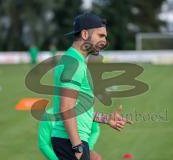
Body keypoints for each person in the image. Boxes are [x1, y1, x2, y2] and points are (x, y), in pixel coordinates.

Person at [51, 13, 132, 160]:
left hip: (71, 140)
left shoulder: (74, 61)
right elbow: (66, 107)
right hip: (71, 141)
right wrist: (77, 146)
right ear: (84, 34)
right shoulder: (73, 63)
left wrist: (106, 119)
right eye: (101, 35)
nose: (104, 41)